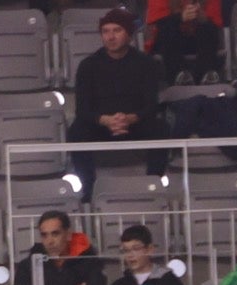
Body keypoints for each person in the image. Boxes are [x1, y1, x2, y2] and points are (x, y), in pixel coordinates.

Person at [68, 8, 168, 198]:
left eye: (116, 30)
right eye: (106, 31)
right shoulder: (88, 65)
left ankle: (153, 186)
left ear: (128, 34)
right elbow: (82, 109)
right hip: (101, 125)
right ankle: (88, 191)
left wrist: (131, 118)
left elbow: (151, 104)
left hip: (134, 123)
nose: (110, 37)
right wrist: (105, 120)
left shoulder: (146, 63)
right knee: (77, 130)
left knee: (160, 127)